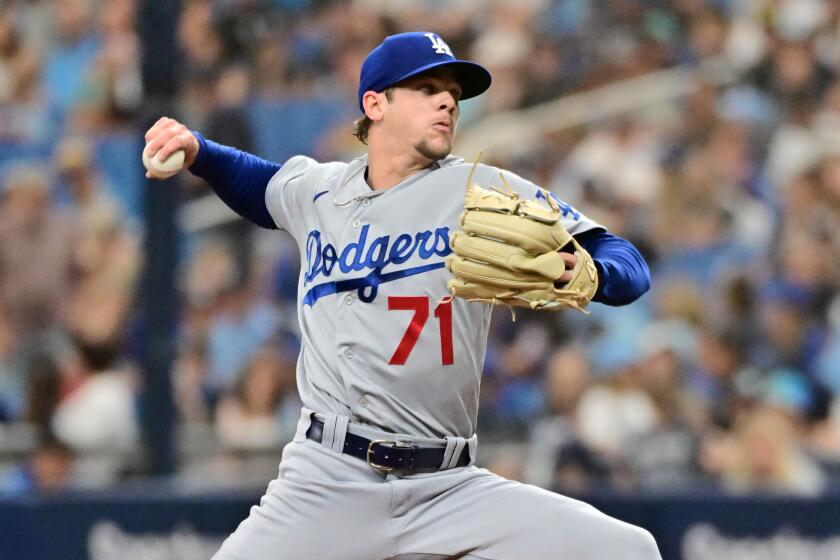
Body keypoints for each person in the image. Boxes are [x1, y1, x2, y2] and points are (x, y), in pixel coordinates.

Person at [145, 31, 660, 560]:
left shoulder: (482, 191)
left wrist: (594, 273)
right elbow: (261, 187)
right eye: (428, 88)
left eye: (454, 96)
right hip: (327, 481)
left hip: (449, 487)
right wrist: (199, 152)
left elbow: (630, 263)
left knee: (627, 549)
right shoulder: (319, 191)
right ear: (375, 103)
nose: (448, 102)